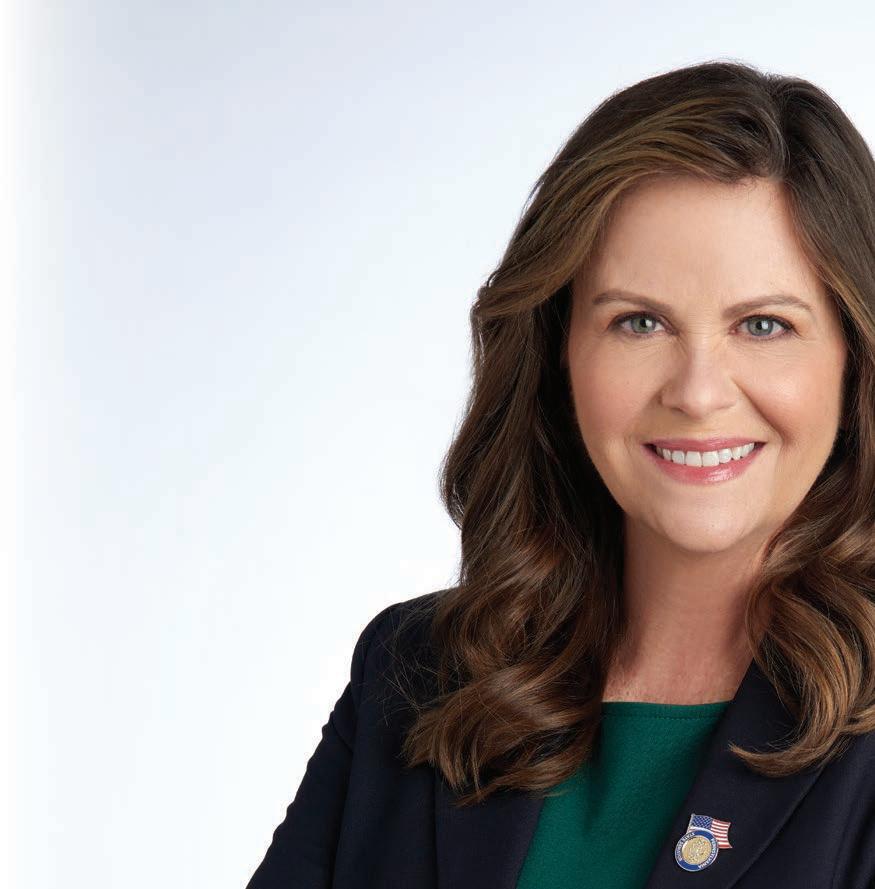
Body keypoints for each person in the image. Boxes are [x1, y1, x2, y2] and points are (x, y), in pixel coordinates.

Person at [245, 59, 875, 889]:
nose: (696, 392)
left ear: (853, 360)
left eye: (762, 325)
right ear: (558, 351)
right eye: (638, 322)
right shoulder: (413, 676)